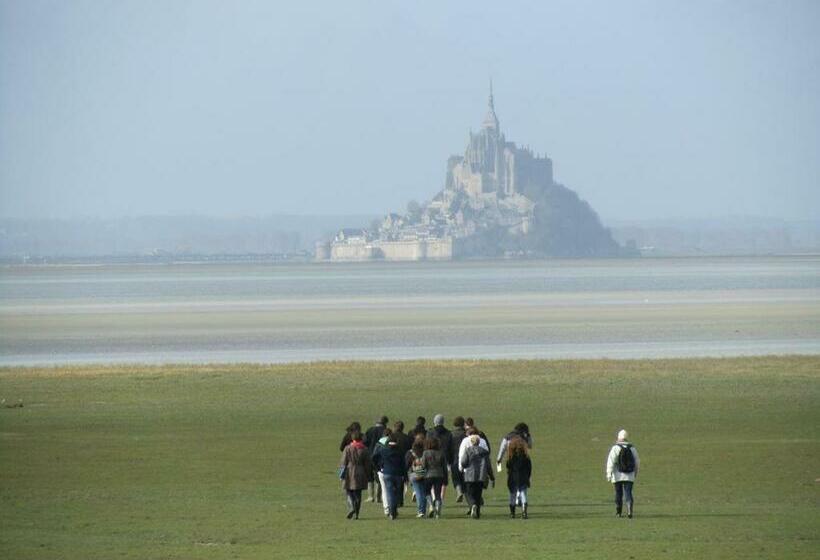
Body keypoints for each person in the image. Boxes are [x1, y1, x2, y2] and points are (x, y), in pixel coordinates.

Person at [605, 429, 640, 518]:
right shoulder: (632, 448)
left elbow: (611, 461)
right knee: (628, 493)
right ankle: (629, 511)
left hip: (617, 475)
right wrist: (635, 473)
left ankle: (618, 512)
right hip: (629, 475)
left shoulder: (615, 448)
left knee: (618, 493)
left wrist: (609, 473)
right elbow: (637, 462)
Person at [339, 430, 372, 519]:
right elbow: (368, 464)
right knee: (358, 494)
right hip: (361, 472)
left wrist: (341, 474)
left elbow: (343, 462)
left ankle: (351, 507)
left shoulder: (347, 448)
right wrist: (369, 475)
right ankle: (356, 514)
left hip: (349, 472)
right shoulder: (364, 449)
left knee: (348, 491)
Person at [373, 432, 405, 520]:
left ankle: (391, 512)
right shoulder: (400, 451)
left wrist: (379, 467)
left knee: (389, 492)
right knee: (396, 493)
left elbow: (374, 458)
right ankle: (394, 509)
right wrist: (405, 475)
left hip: (387, 473)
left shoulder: (383, 450)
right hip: (398, 474)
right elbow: (403, 464)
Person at [460, 435, 491, 519]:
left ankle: (472, 505)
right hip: (481, 476)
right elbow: (488, 465)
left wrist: (464, 467)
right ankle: (477, 513)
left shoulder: (468, 450)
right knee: (478, 494)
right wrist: (492, 476)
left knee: (469, 493)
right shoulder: (484, 452)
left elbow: (463, 462)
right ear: (479, 442)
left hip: (470, 475)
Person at [422, 435, 449, 518]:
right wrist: (446, 478)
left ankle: (431, 505)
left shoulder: (425, 453)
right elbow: (445, 467)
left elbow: (423, 465)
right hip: (439, 475)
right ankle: (438, 510)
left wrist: (420, 474)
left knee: (427, 492)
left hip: (428, 475)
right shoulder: (441, 453)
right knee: (438, 494)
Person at [505, 437, 532, 519]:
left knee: (512, 495)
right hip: (523, 478)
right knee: (523, 494)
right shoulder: (526, 458)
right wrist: (528, 477)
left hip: (513, 478)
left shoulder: (511, 458)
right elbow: (529, 468)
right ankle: (524, 512)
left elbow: (508, 467)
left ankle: (512, 513)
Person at [363, 416, 388, 503]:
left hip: (369, 456)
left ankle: (371, 496)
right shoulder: (385, 431)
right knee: (379, 476)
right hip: (380, 457)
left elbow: (364, 442)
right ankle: (379, 496)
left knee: (370, 477)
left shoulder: (370, 430)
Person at [405, 438, 428, 518]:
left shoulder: (410, 453)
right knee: (424, 493)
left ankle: (420, 511)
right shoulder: (425, 453)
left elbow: (406, 465)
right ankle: (423, 510)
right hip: (425, 474)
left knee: (418, 493)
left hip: (414, 475)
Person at [450, 416, 467, 502]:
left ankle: (459, 491)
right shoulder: (466, 434)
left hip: (454, 459)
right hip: (466, 460)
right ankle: (471, 503)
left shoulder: (451, 434)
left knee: (456, 478)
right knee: (466, 480)